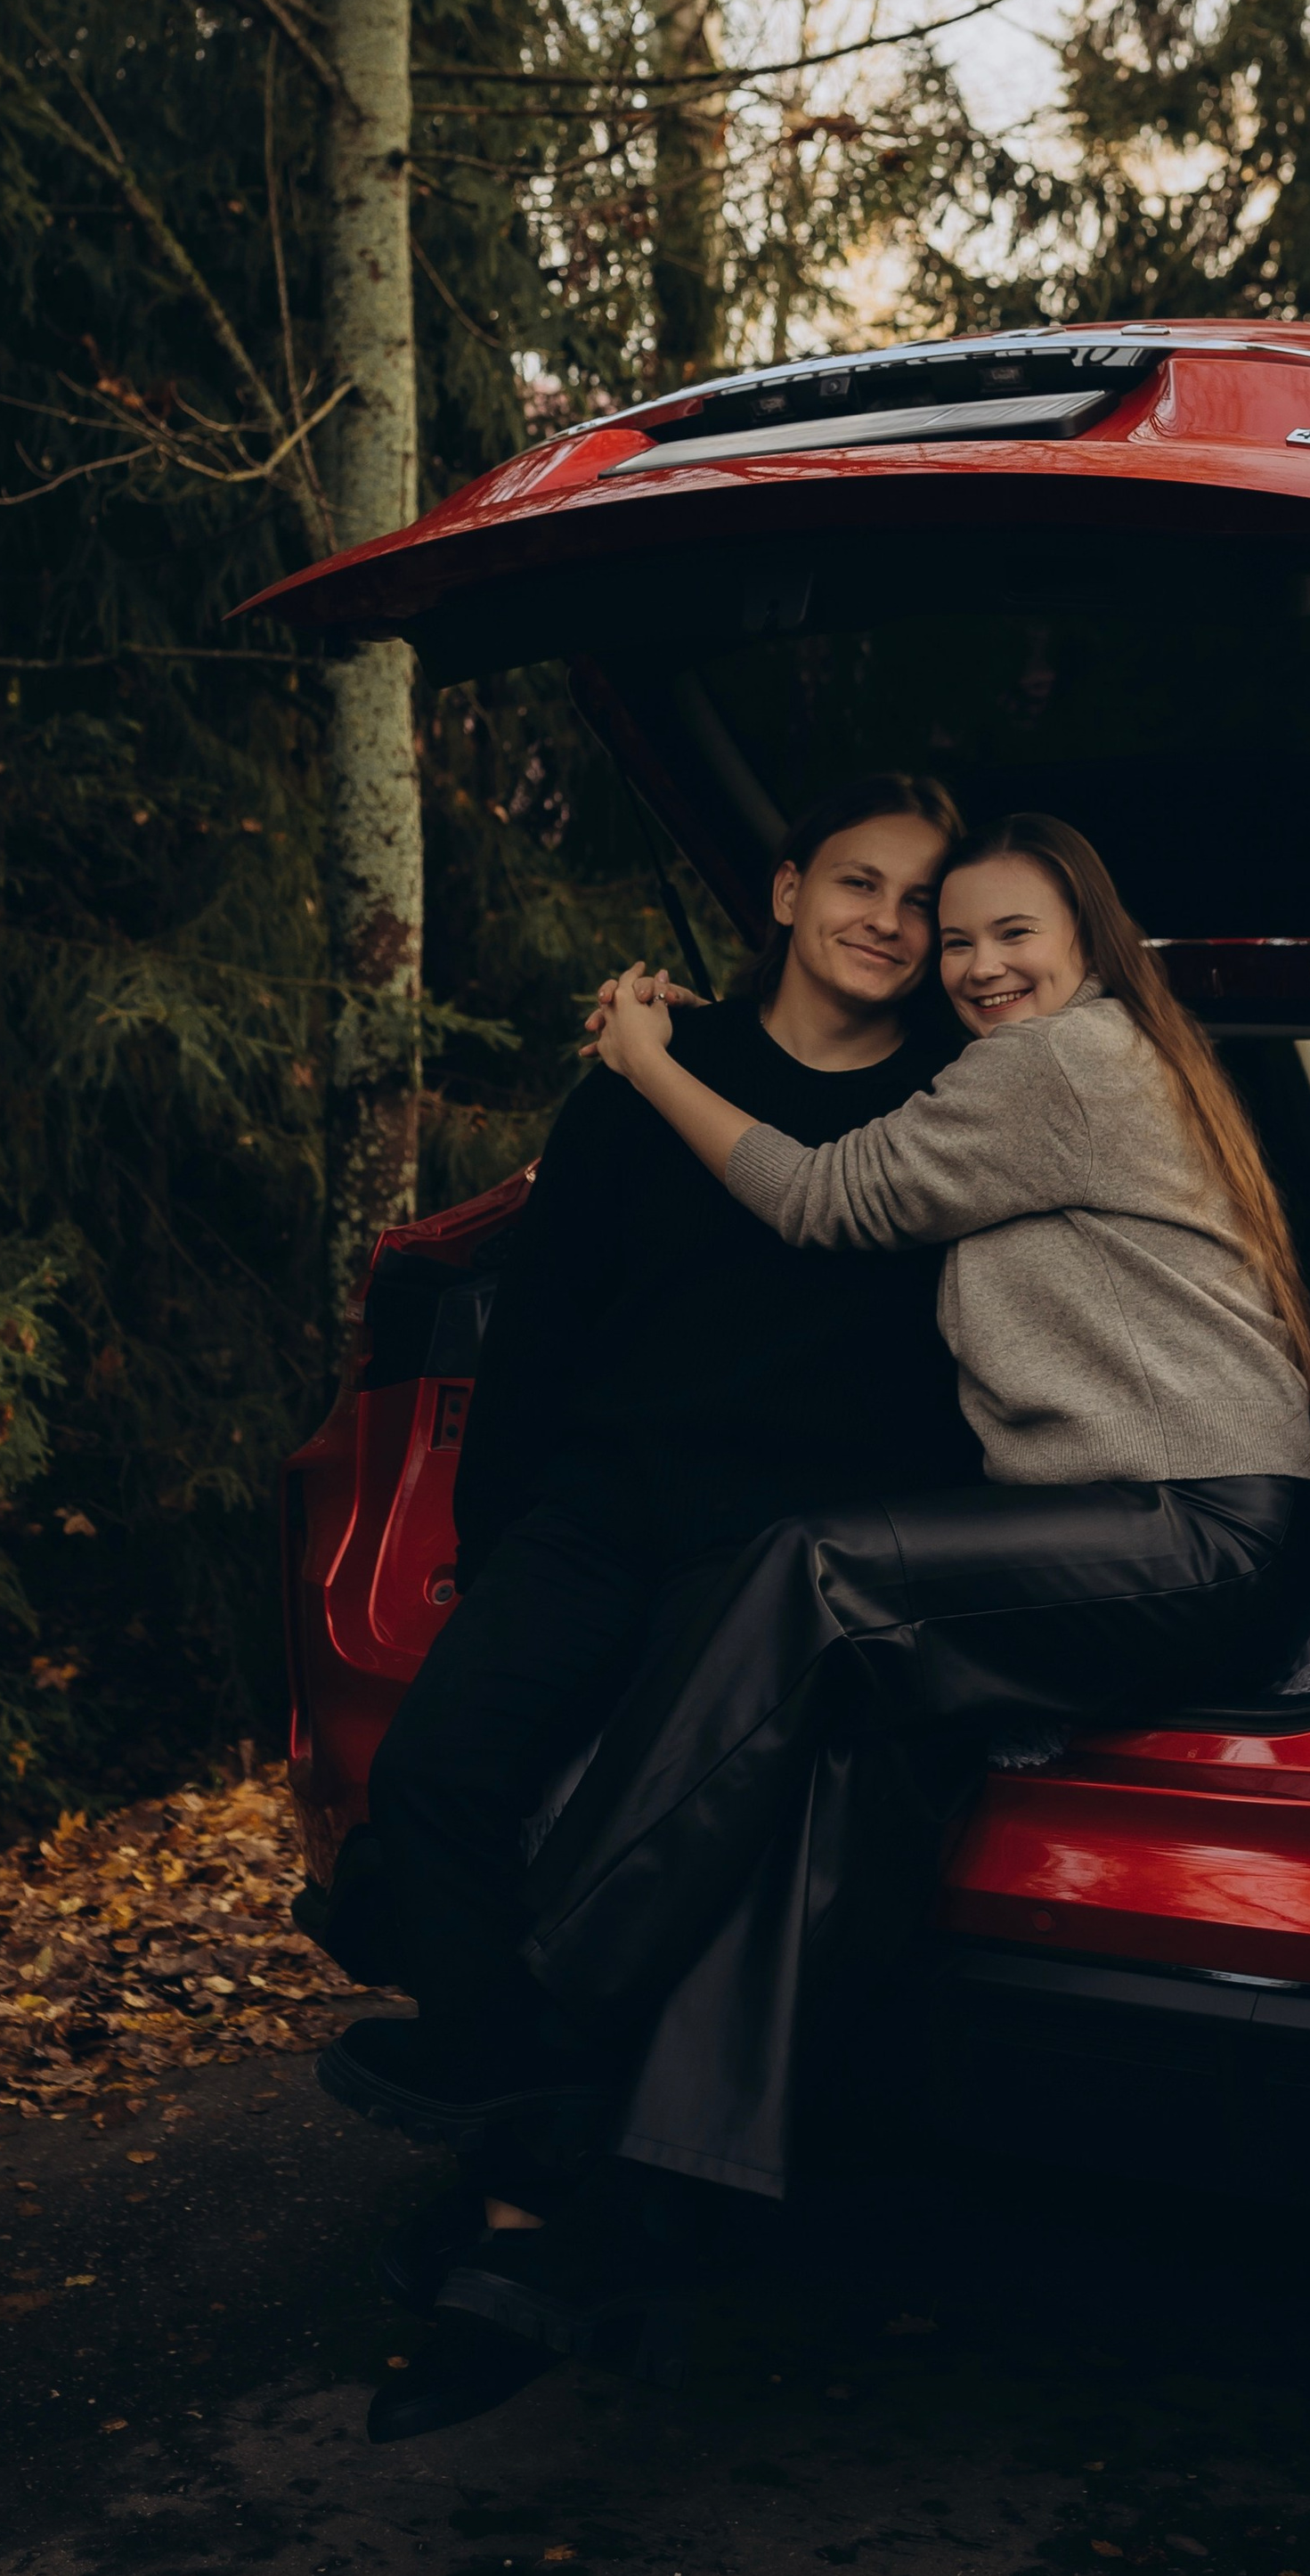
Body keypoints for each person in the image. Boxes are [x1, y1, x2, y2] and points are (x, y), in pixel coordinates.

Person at [493, 812, 1310, 2267]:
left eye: (1017, 936)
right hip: (1132, 1529)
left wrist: (648, 1063)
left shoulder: (1060, 1060)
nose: (981, 966)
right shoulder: (1073, 1062)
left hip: (1196, 1534)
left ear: (1087, 948)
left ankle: (557, 1979)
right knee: (843, 1746)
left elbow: (825, 1197)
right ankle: (663, 2179)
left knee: (816, 1569)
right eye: (960, 941)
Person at [319, 774, 981, 2439]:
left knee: (655, 1852)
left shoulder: (956, 1098)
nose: (886, 923)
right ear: (782, 891)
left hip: (783, 1560)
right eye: (859, 881)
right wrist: (493, 1535)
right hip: (604, 1514)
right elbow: (543, 1323)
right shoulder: (642, 1081)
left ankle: (532, 2220)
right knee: (437, 1781)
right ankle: (537, 2141)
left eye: (918, 902)